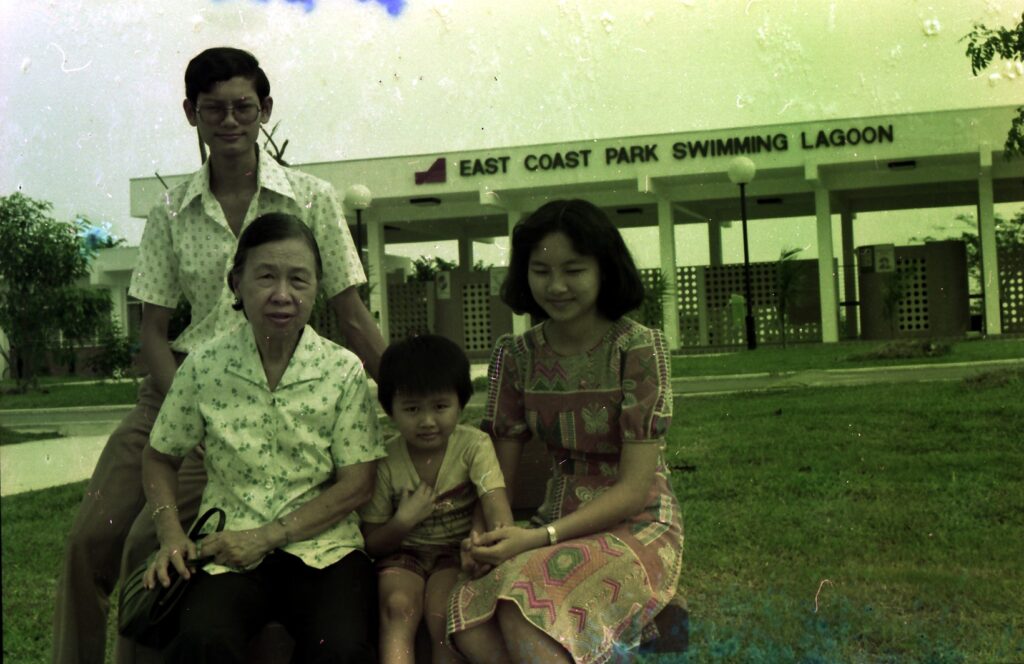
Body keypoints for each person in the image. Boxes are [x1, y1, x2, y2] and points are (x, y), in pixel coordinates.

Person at [52, 47, 385, 664]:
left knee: (151, 548)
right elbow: (152, 328)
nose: (230, 122)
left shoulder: (310, 199)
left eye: (243, 107)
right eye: (214, 110)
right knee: (88, 542)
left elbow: (352, 313)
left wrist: (405, 395)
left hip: (265, 400)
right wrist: (188, 408)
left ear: (265, 110)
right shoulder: (173, 210)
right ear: (191, 114)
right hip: (177, 391)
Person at [449, 199, 684, 663]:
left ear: (604, 269)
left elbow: (635, 489)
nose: (556, 286)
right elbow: (498, 474)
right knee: (471, 618)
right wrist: (484, 539)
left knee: (522, 609)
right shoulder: (514, 356)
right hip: (552, 519)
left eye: (573, 270)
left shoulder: (638, 349)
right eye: (541, 270)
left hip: (635, 527)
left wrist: (538, 539)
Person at [142, 212, 384, 661]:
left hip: (324, 551)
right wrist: (170, 533)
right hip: (226, 553)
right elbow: (159, 457)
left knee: (342, 649)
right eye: (266, 276)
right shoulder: (204, 366)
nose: (282, 295)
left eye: (299, 279)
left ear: (317, 287)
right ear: (237, 283)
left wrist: (268, 536)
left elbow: (358, 483)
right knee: (202, 643)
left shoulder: (343, 370)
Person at [361, 335, 514, 664]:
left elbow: (497, 509)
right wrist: (403, 522)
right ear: (390, 409)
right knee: (397, 607)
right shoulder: (386, 459)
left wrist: (483, 545)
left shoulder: (473, 446)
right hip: (403, 554)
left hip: (454, 555)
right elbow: (372, 542)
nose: (427, 421)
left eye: (440, 407)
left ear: (460, 402)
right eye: (412, 409)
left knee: (442, 614)